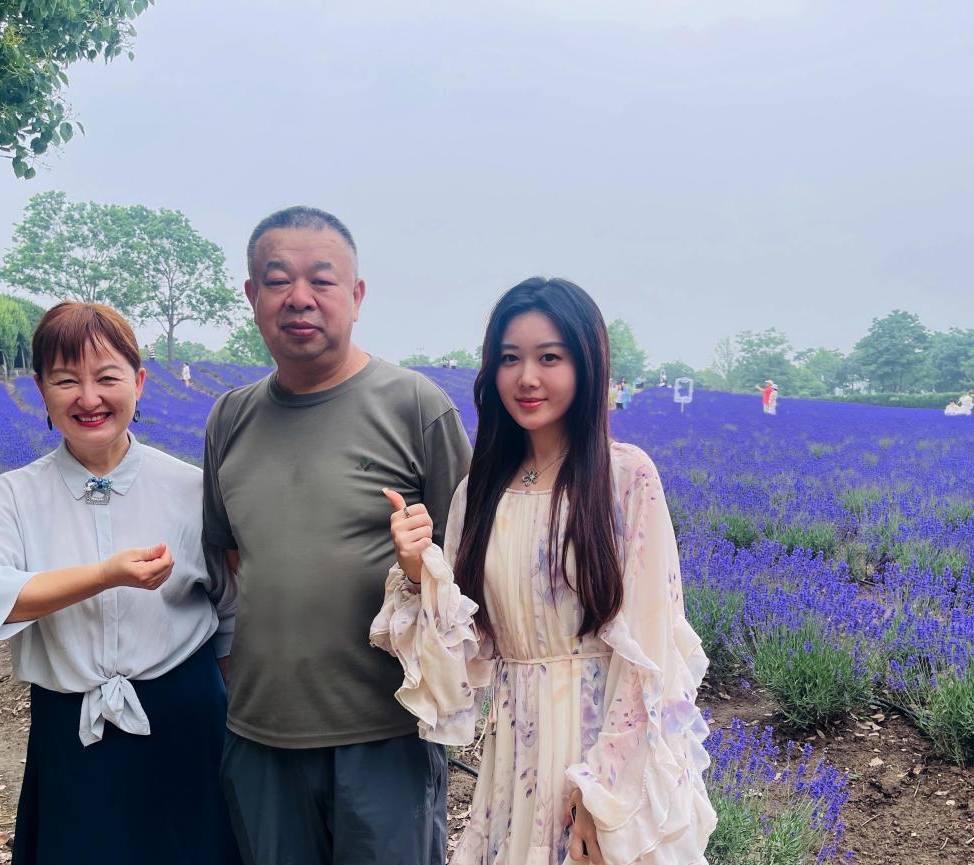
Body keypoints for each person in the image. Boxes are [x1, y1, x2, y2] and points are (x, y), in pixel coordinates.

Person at [372, 277, 715, 864]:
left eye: (549, 357)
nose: (526, 377)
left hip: (597, 755)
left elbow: (649, 652)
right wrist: (416, 571)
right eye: (510, 359)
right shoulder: (479, 490)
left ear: (586, 365)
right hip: (513, 762)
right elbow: (463, 660)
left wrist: (601, 794)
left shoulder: (625, 478)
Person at [204, 206, 471, 865]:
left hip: (385, 735)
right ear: (252, 296)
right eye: (278, 280)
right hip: (261, 736)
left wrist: (421, 567)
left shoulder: (415, 407)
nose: (299, 297)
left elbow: (468, 564)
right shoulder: (230, 418)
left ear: (356, 295)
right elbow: (235, 559)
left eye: (321, 280)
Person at [0, 302, 240, 865]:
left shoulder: (191, 489)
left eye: (107, 378)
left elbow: (229, 613)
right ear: (41, 389)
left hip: (187, 722)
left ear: (139, 382)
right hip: (71, 729)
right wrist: (104, 576)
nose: (89, 398)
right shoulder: (12, 497)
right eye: (66, 381)